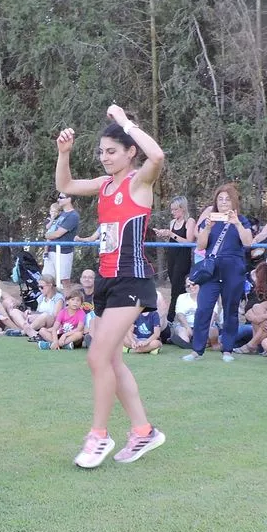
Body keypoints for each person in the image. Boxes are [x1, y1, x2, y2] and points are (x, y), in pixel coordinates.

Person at [55, 104, 167, 467]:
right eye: (101, 151)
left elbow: (158, 154)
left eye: (111, 151)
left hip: (131, 280)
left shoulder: (139, 181)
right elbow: (65, 185)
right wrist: (64, 154)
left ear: (130, 152)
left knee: (97, 356)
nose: (104, 158)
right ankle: (143, 431)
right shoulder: (104, 186)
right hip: (105, 280)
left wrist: (124, 122)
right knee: (112, 360)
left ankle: (98, 437)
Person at [183, 182, 254, 363]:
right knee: (203, 309)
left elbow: (248, 243)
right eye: (220, 199)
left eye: (227, 199)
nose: (223, 202)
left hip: (233, 268)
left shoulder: (242, 220)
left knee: (231, 309)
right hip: (212, 270)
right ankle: (197, 350)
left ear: (233, 202)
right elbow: (200, 246)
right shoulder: (210, 220)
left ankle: (227, 350)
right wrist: (206, 228)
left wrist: (236, 223)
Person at [154, 196, 197, 322]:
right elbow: (172, 240)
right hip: (172, 257)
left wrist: (171, 234)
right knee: (178, 287)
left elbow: (189, 241)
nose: (173, 212)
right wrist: (164, 234)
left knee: (176, 289)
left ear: (182, 209)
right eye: (171, 210)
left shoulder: (189, 221)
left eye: (175, 209)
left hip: (183, 258)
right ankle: (185, 313)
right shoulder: (172, 223)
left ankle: (170, 318)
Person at [45, 193, 81, 287]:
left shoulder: (73, 215)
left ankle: (66, 301)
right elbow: (51, 229)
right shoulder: (62, 214)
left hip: (63, 252)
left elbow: (58, 233)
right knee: (47, 280)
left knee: (64, 281)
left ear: (69, 199)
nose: (58, 199)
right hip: (51, 250)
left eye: (61, 197)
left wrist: (47, 235)